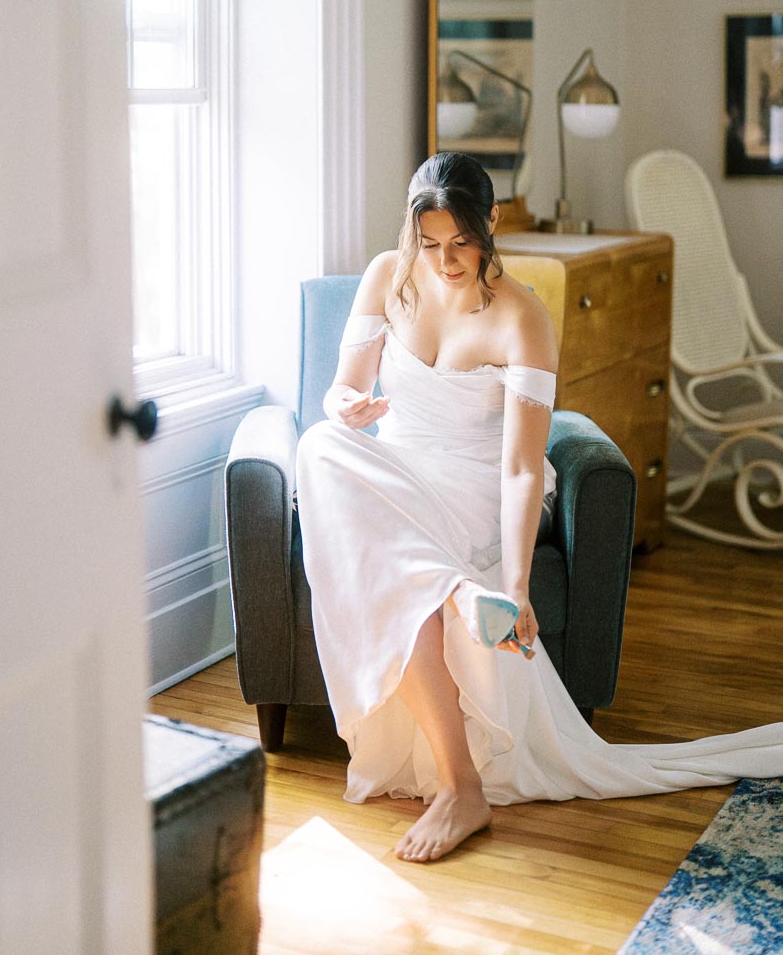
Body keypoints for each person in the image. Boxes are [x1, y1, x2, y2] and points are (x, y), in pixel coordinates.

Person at [295, 151, 783, 864]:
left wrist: (518, 586)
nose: (445, 259)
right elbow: (341, 391)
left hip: (474, 484)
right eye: (429, 244)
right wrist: (351, 406)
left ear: (491, 222)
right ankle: (458, 595)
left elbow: (523, 467)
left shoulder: (521, 314)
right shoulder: (385, 277)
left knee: (381, 542)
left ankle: (462, 786)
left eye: (461, 241)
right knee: (319, 443)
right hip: (394, 473)